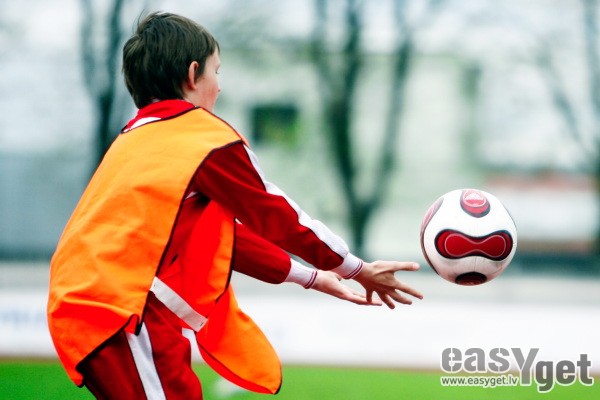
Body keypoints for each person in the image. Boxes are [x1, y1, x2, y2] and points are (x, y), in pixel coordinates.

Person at [47, 11, 423, 399]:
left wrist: (311, 277)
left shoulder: (135, 140)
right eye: (217, 71)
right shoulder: (200, 137)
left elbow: (225, 238)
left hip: (93, 304)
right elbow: (276, 214)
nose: (219, 86)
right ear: (193, 75)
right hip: (121, 308)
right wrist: (356, 268)